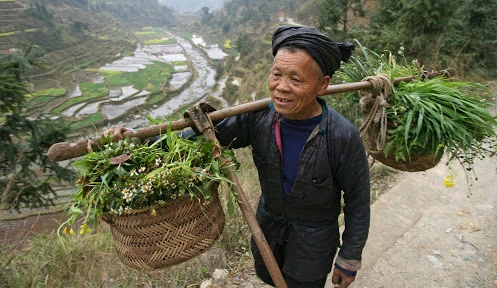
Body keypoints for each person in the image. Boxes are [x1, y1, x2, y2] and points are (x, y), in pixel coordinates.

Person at [108, 25, 370, 288]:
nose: (281, 87)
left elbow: (358, 201)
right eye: (276, 74)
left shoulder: (342, 137)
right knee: (270, 278)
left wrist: (348, 258)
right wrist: (141, 139)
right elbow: (199, 137)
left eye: (296, 79)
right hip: (267, 233)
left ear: (322, 85)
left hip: (312, 245)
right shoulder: (258, 118)